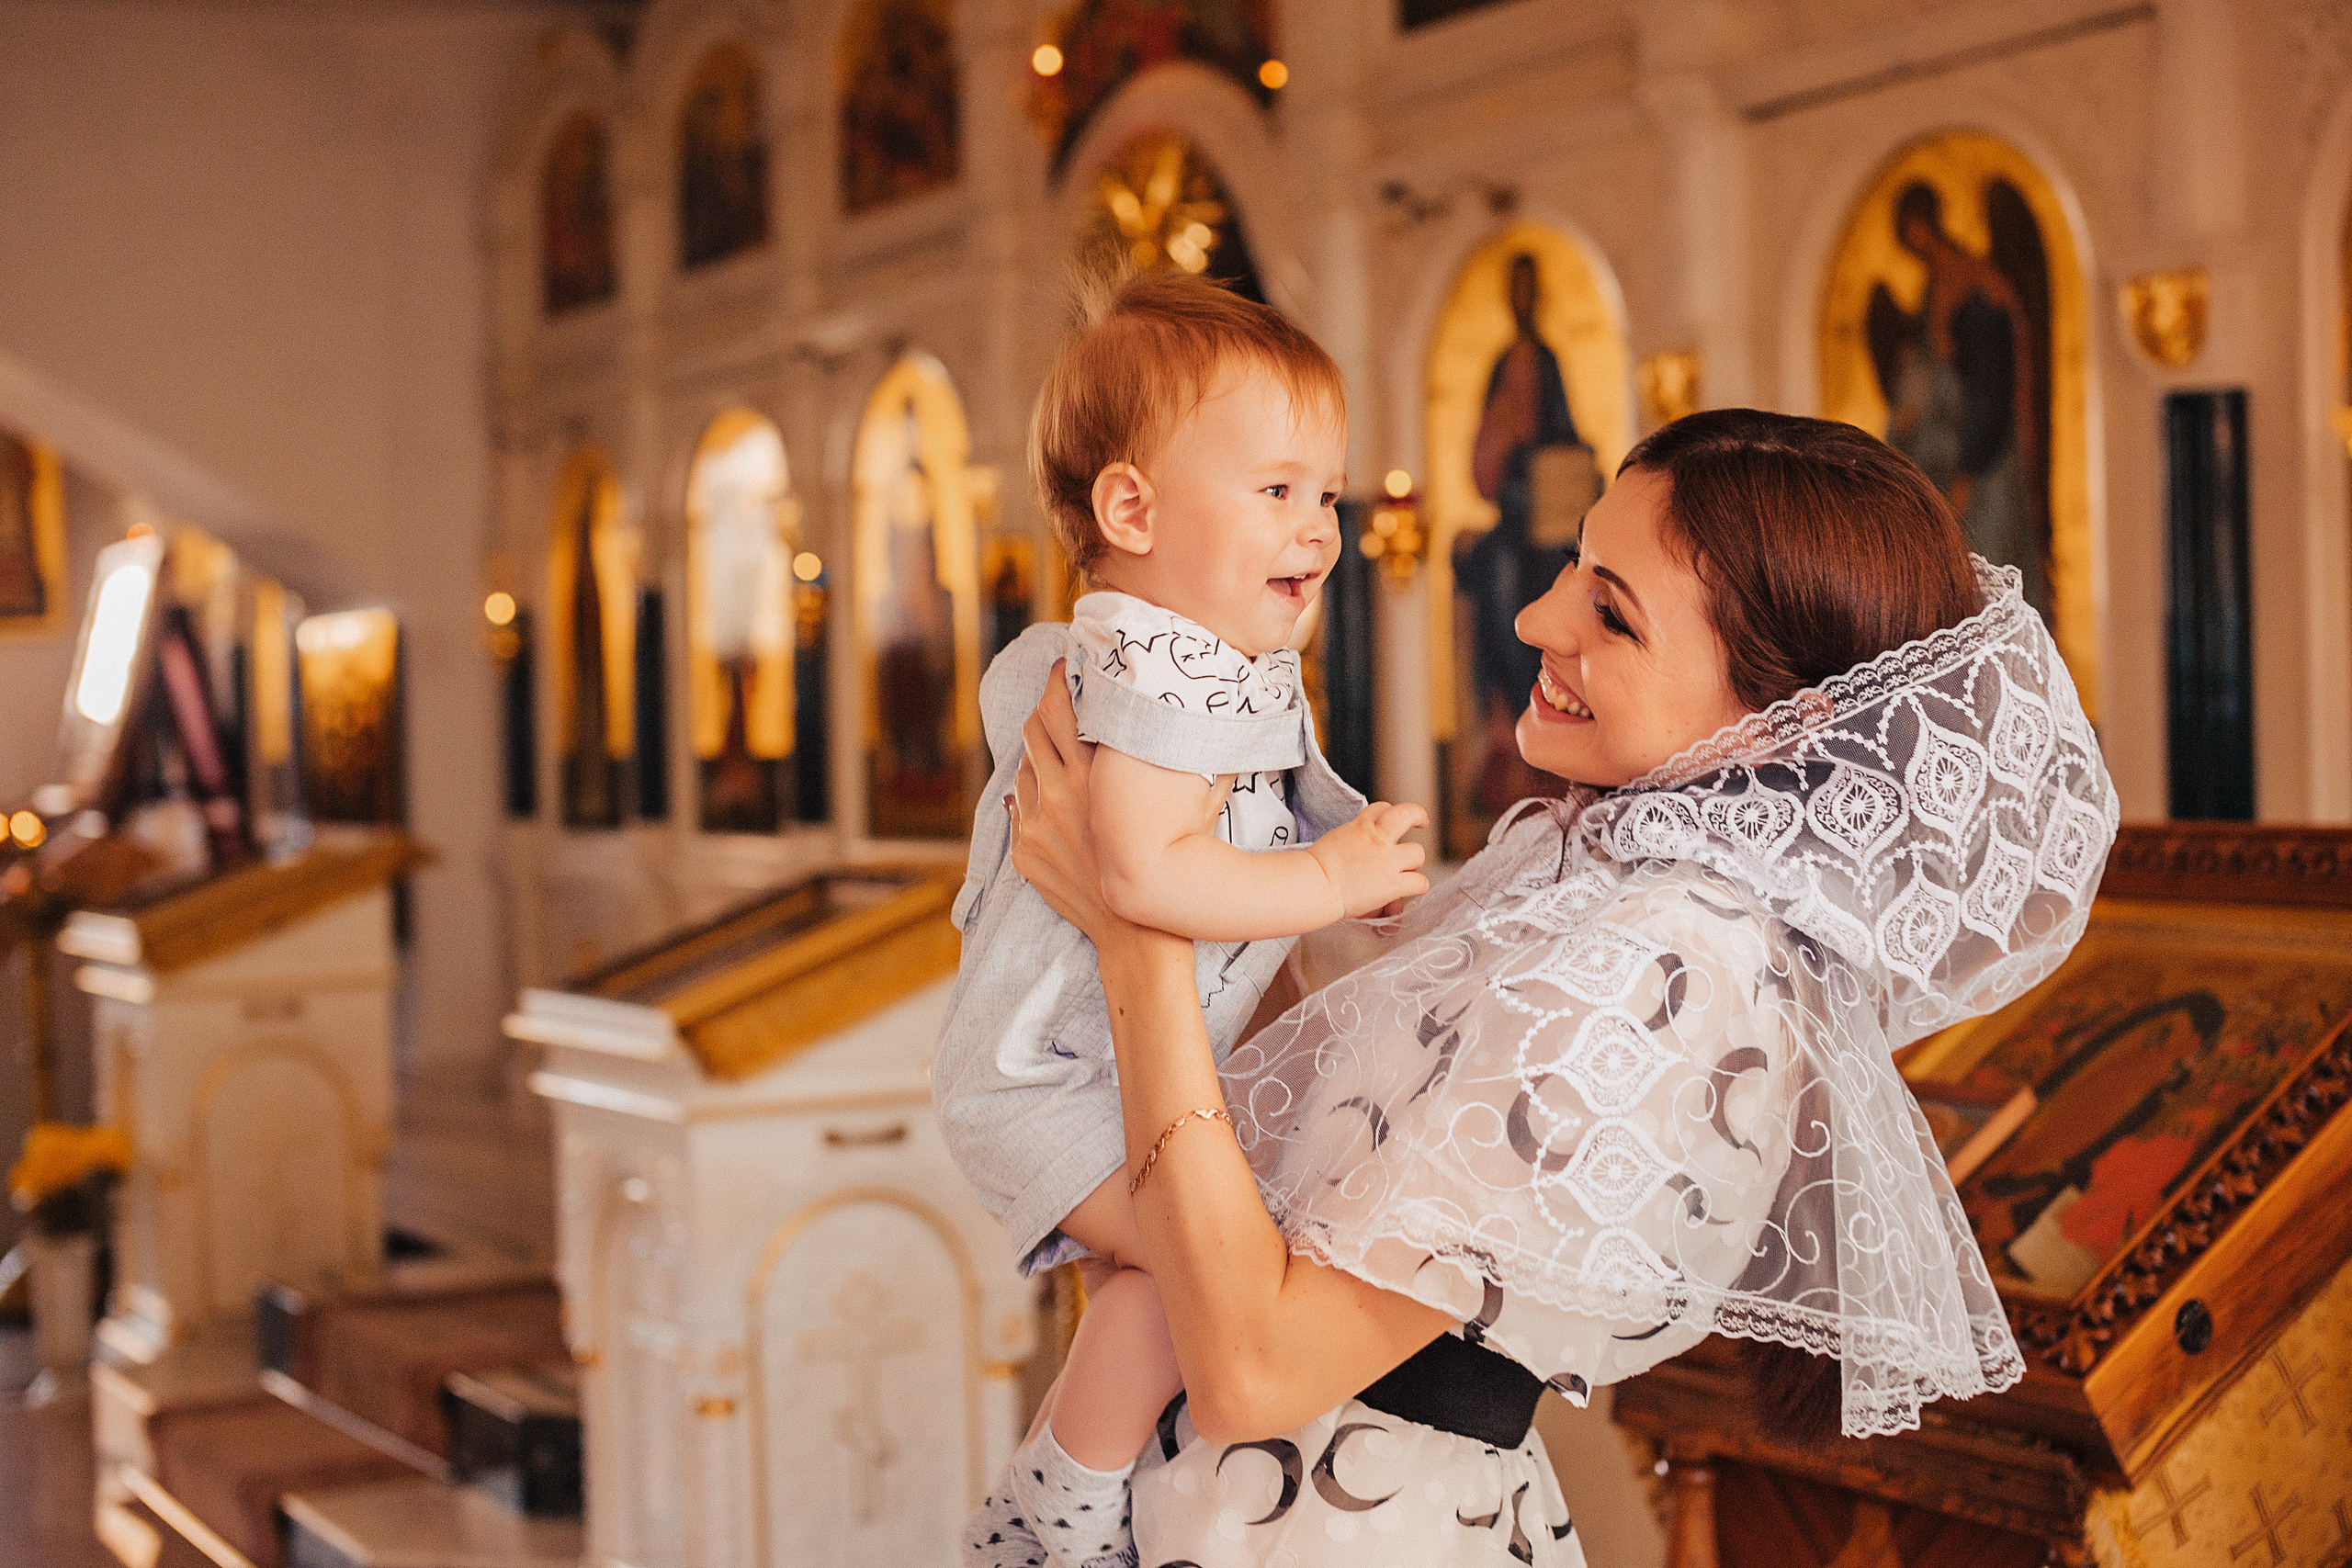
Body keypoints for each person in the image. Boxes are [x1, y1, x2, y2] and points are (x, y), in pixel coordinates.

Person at [996, 409, 2117, 1565]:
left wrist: (1136, 931)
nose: (1535, 619)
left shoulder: (1674, 966)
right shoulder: (1591, 872)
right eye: (1576, 567)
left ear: (1788, 719)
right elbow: (1291, 1133)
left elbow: (1256, 1372)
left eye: (1611, 614)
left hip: (1333, 1522)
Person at [936, 268, 1432, 1568]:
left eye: (1326, 495)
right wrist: (1330, 884)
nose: (1317, 529)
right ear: (1131, 508)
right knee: (1188, 1276)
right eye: (1276, 490)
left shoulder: (1179, 654)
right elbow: (1149, 878)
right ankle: (1052, 1515)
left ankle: (1098, 1488)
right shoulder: (1158, 669)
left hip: (1075, 1069)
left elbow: (1226, 836)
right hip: (1052, 1084)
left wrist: (1329, 867)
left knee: (1165, 1273)